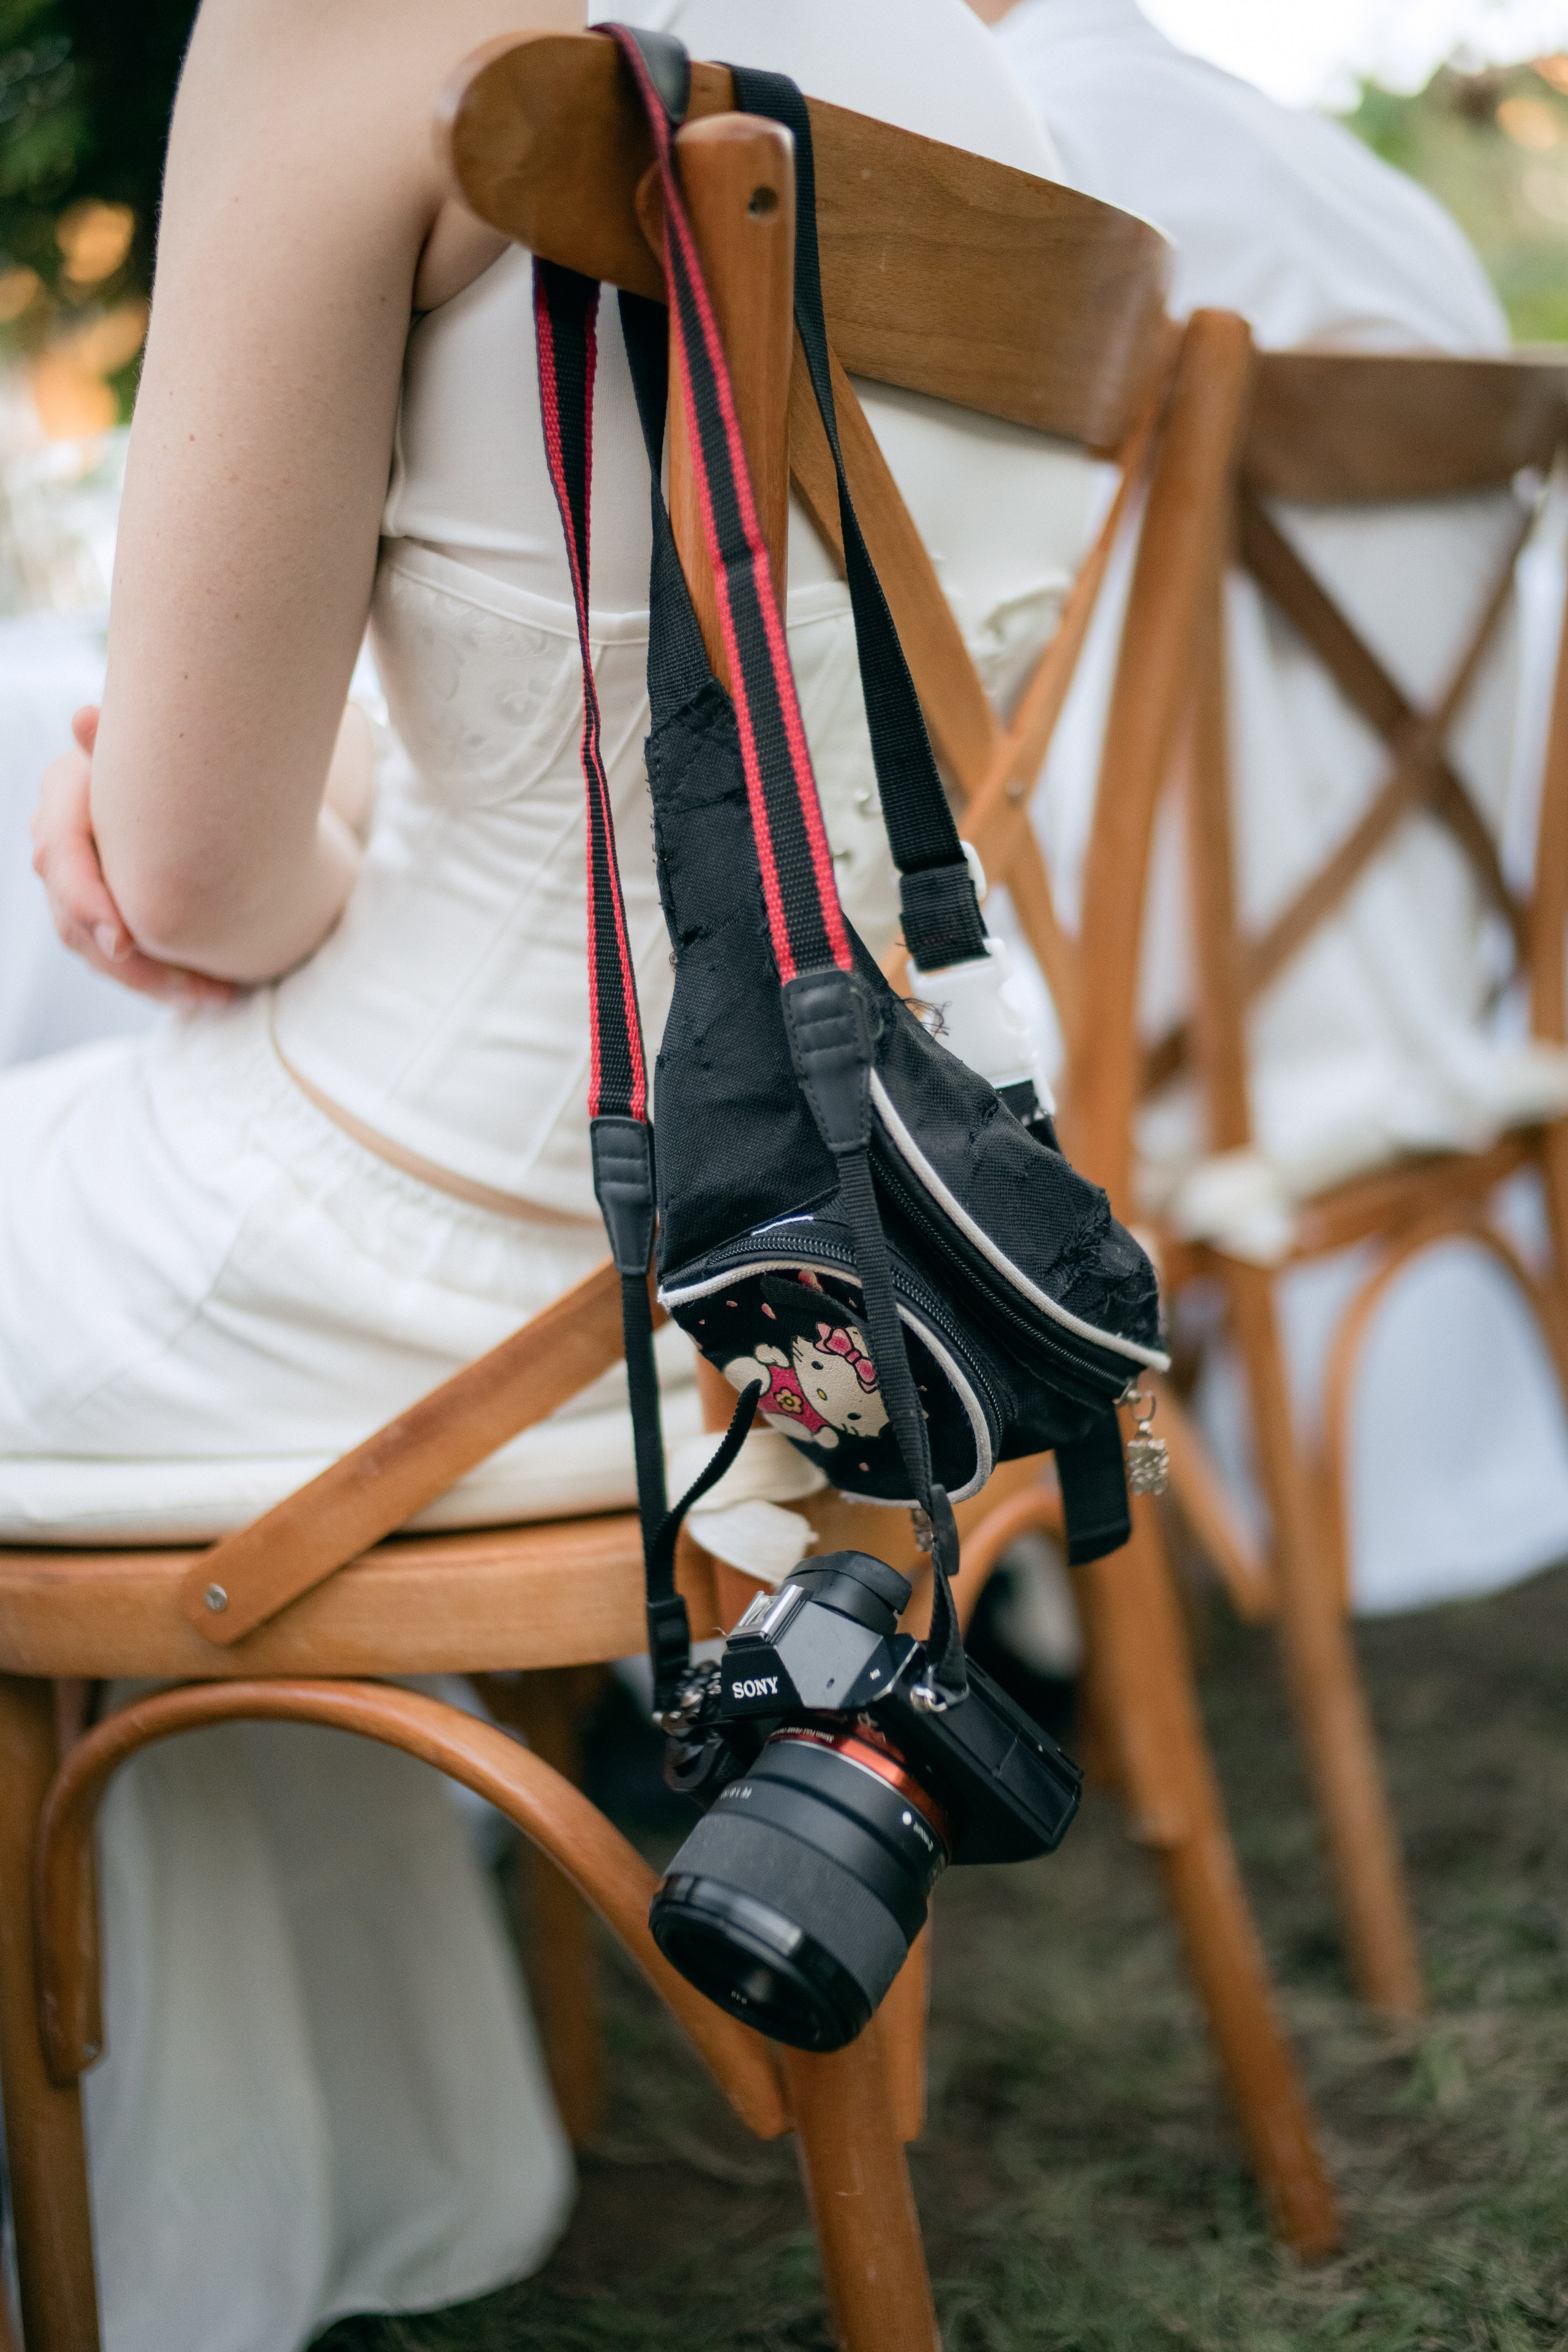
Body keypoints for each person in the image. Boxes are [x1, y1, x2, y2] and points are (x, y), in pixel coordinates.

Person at [5, 1, 1099, 2342]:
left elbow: (202, 890)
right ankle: (348, 2167)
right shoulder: (983, 67)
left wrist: (163, 844)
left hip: (459, 1245)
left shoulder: (331, 25)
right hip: (850, 1236)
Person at [978, 0, 1568, 1617]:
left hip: (1181, 1029)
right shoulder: (1372, 198)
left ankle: (1012, 1578)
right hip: (1448, 981)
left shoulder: (1010, 153)